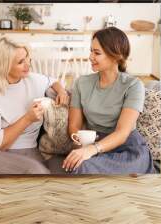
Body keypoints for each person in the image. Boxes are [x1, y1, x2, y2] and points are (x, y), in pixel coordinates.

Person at [0, 37, 69, 174]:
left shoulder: (33, 80)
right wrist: (27, 119)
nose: (28, 65)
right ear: (4, 65)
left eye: (28, 59)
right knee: (37, 173)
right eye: (21, 62)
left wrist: (61, 91)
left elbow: (52, 81)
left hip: (28, 152)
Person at [63, 27, 155, 174]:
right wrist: (83, 146)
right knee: (80, 165)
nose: (90, 57)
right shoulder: (81, 83)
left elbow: (123, 132)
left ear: (115, 56)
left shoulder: (133, 85)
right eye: (91, 51)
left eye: (97, 53)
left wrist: (92, 149)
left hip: (127, 148)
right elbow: (74, 126)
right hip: (93, 144)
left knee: (86, 167)